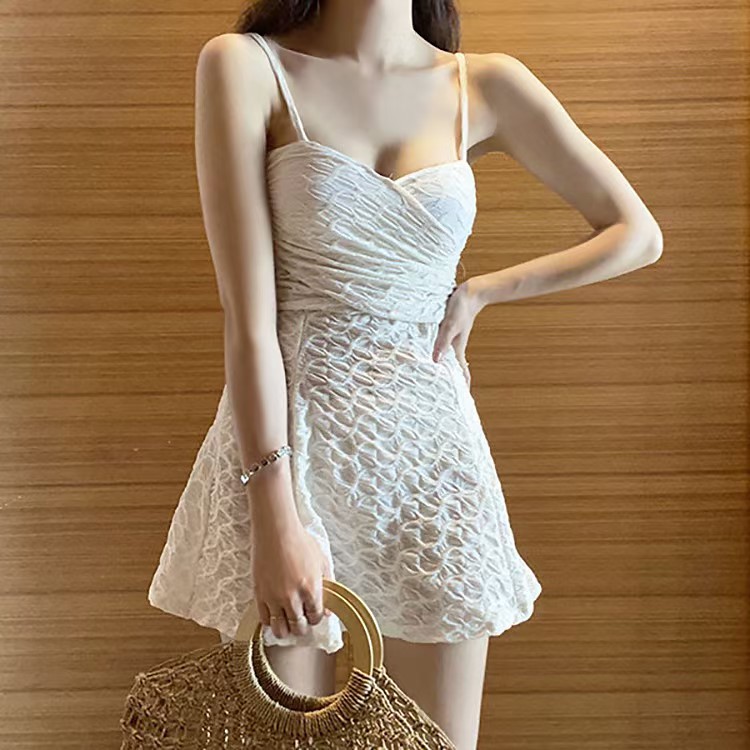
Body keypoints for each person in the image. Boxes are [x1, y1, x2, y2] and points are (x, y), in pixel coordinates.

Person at [147, 2, 663, 747]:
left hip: (433, 460)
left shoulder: (484, 84)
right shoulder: (246, 66)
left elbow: (636, 232)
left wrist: (482, 291)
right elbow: (249, 320)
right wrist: (275, 517)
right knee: (284, 735)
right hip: (297, 455)